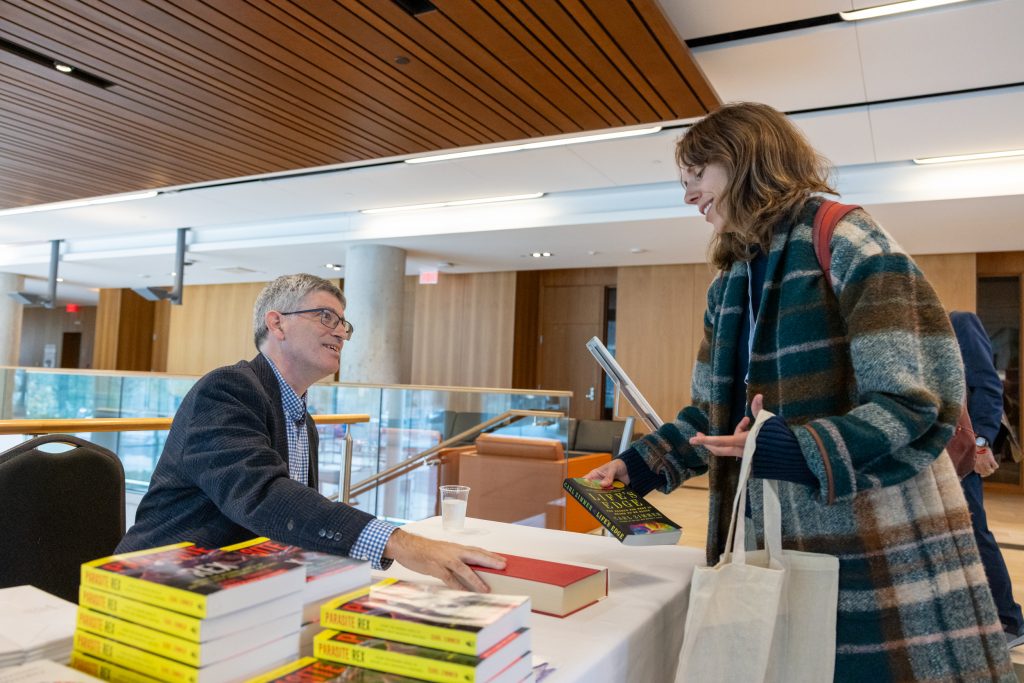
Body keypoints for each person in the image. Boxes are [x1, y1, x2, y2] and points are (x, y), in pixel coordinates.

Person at [587, 103, 1012, 680]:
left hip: (874, 547)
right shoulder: (729, 283)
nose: (688, 198)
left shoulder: (847, 239)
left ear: (742, 160)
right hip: (775, 539)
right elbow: (709, 417)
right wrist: (637, 468)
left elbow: (914, 400)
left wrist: (792, 447)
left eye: (696, 177)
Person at [117, 274, 505, 591]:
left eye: (342, 323)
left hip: (247, 586)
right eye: (325, 317)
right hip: (162, 583)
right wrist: (397, 541)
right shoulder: (228, 390)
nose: (341, 333)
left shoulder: (303, 419)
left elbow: (293, 525)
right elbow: (263, 497)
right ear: (277, 323)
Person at [951, 310, 1024, 647]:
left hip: (963, 454)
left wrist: (982, 443)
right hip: (931, 456)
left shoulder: (960, 322)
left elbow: (988, 387)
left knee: (975, 532)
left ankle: (1009, 621)